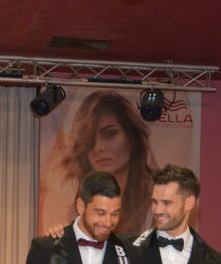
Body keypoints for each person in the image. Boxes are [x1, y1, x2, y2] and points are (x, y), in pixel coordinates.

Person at [38, 90, 155, 236]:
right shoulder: (64, 201)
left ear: (131, 136)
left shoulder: (155, 203)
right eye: (90, 139)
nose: (98, 147)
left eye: (109, 134)